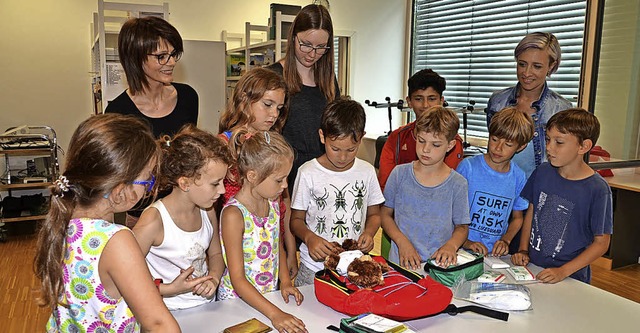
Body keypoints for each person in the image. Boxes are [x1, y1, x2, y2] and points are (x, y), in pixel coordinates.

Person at [34, 114, 179, 332]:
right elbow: (159, 324)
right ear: (121, 191)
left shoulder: (61, 219)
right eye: (148, 179)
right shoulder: (116, 240)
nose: (149, 187)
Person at [105, 16, 199, 226]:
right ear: (136, 58)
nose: (172, 62)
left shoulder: (188, 98)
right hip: (141, 217)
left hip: (183, 209)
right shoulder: (118, 112)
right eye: (161, 56)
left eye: (173, 54)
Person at [132, 125, 232, 310]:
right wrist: (169, 289)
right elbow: (126, 277)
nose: (223, 190)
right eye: (215, 184)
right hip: (166, 312)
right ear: (185, 183)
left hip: (206, 307)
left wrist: (214, 278)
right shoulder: (154, 221)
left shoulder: (207, 210)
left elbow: (216, 254)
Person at [217, 130, 306, 333]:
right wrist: (275, 314)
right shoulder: (233, 215)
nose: (284, 186)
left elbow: (277, 247)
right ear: (252, 175)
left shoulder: (273, 203)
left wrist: (285, 281)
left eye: (286, 179)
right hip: (236, 305)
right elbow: (237, 279)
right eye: (279, 180)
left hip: (268, 299)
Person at [289, 99, 385, 286]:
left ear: (362, 137)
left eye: (351, 149)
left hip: (354, 265)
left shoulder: (367, 172)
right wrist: (310, 238)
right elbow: (296, 220)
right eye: (335, 149)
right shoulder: (307, 172)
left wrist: (369, 232)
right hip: (314, 267)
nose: (342, 157)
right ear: (322, 136)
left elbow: (374, 214)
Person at [511, 108, 612, 284]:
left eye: (559, 142)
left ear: (584, 146)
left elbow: (601, 243)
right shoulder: (543, 171)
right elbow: (532, 211)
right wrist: (523, 249)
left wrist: (562, 271)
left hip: (570, 277)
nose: (549, 147)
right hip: (533, 268)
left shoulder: (598, 189)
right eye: (548, 140)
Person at [217, 67, 298, 279]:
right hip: (239, 249)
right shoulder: (223, 146)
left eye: (279, 108)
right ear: (245, 100)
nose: (274, 115)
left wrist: (290, 249)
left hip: (271, 245)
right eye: (267, 105)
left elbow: (284, 203)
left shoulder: (273, 144)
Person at [381, 106, 470, 270]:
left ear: (450, 145)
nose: (426, 149)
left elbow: (462, 227)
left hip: (438, 266)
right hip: (401, 263)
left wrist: (451, 245)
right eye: (421, 141)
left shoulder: (458, 183)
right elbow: (385, 215)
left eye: (435, 144)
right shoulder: (399, 174)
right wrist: (402, 242)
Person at [267, 4, 340, 188]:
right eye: (306, 44)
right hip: (284, 175)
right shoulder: (273, 76)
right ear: (293, 38)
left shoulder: (329, 80)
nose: (312, 54)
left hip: (323, 173)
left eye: (321, 47)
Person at [485, 32, 572, 178]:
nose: (526, 73)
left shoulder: (562, 109)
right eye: (522, 64)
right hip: (500, 190)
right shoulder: (497, 101)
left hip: (538, 192)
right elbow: (493, 151)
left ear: (551, 66)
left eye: (536, 66)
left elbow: (565, 164)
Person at [457, 107, 534, 256]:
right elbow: (449, 211)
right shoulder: (468, 167)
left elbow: (518, 218)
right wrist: (466, 242)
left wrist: (506, 240)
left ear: (521, 146)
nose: (498, 148)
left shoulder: (519, 176)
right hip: (461, 249)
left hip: (493, 256)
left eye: (508, 144)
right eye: (494, 139)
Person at [378, 68, 464, 191]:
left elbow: (447, 187)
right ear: (409, 101)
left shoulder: (452, 141)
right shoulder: (397, 137)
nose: (425, 105)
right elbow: (385, 185)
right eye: (418, 99)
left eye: (432, 98)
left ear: (441, 100)